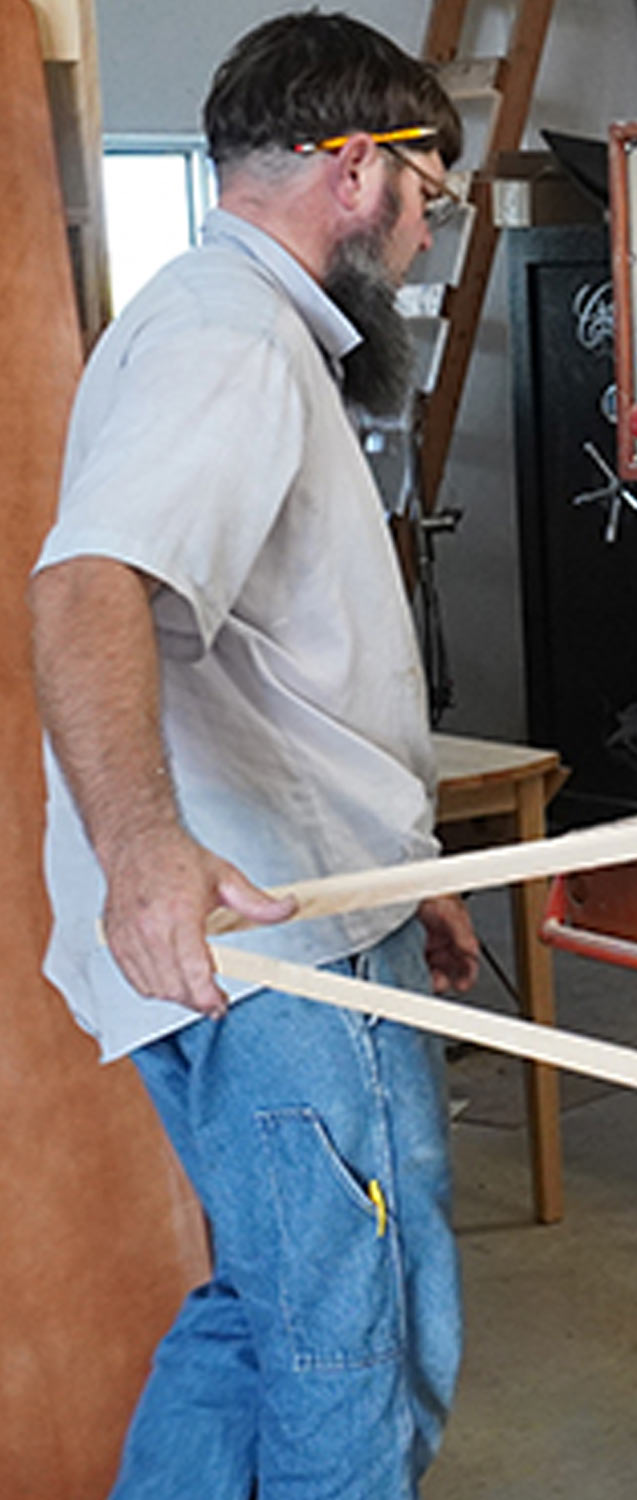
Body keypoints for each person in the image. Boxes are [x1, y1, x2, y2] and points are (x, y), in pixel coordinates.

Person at [28, 13, 480, 1498]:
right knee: (358, 1331)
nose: (426, 240)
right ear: (359, 171)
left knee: (264, 1312)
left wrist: (401, 871)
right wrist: (149, 856)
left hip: (298, 914)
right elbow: (91, 581)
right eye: (434, 198)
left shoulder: (228, 323)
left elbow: (276, 669)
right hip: (275, 951)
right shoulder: (228, 339)